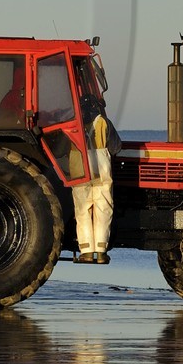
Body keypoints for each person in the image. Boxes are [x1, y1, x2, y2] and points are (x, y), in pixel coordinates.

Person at [73, 109, 115, 264]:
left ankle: (86, 252)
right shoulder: (104, 122)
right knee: (104, 208)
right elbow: (116, 146)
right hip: (102, 164)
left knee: (83, 210)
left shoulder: (72, 121)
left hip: (79, 164)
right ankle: (101, 252)